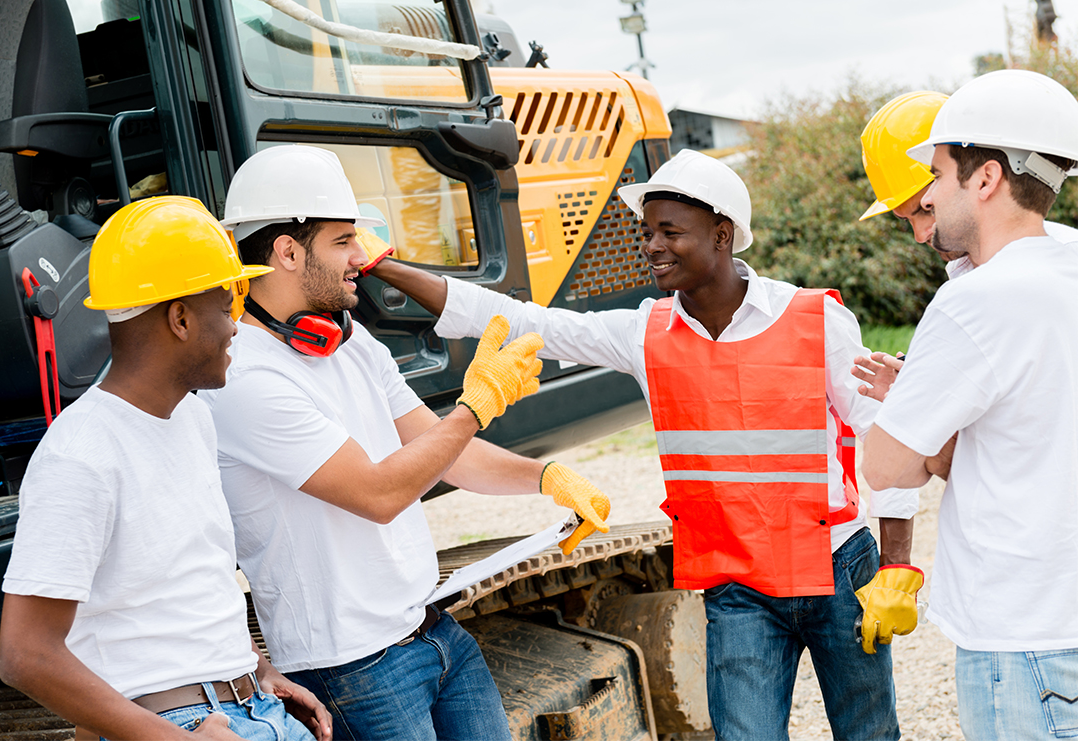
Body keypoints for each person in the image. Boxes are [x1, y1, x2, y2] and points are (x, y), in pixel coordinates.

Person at [370, 148, 922, 740]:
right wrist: (384, 267)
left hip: (838, 565)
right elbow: (524, 319)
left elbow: (884, 434)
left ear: (722, 234)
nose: (652, 245)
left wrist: (895, 566)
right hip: (737, 585)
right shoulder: (645, 333)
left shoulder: (816, 320)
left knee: (869, 733)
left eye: (669, 231)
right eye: (646, 231)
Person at [200, 145, 611, 741]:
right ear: (287, 251)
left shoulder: (351, 340)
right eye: (343, 241)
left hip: (432, 630)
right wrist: (474, 408)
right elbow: (380, 493)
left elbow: (442, 451)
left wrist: (544, 477)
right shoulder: (246, 378)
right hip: (350, 667)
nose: (361, 258)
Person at [0, 197, 332, 741]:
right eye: (225, 308)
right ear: (179, 318)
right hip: (175, 727)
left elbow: (189, 580)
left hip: (248, 708)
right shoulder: (80, 454)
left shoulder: (193, 417)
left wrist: (258, 672)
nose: (235, 328)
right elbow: (24, 655)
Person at [862, 69, 1078, 740]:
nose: (932, 197)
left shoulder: (973, 302)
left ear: (983, 179)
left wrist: (916, 405)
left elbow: (886, 467)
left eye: (938, 173)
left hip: (1022, 640)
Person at [852, 90, 1078, 399]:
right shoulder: (964, 276)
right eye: (906, 220)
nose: (920, 235)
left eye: (925, 208)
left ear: (974, 177)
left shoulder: (1067, 260)